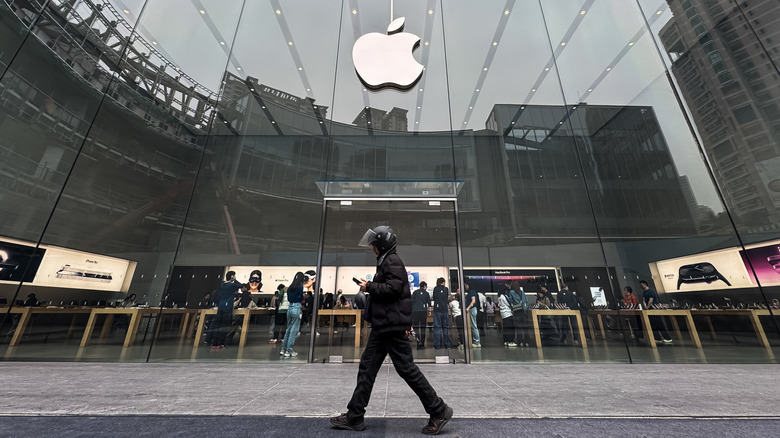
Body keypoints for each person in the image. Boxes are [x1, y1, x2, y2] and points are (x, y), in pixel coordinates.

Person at [331, 225, 452, 435]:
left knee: (406, 369)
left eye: (374, 245)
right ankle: (355, 416)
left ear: (382, 244)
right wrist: (371, 285)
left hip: (391, 327)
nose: (373, 249)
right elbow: (390, 288)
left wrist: (369, 287)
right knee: (368, 368)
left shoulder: (392, 261)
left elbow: (393, 289)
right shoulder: (386, 261)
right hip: (384, 326)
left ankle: (439, 410)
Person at [208, 271, 242, 349]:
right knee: (225, 325)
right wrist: (235, 280)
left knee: (218, 324)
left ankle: (215, 343)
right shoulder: (232, 285)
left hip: (221, 305)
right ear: (232, 276)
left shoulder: (222, 284)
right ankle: (221, 343)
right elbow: (241, 285)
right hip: (228, 306)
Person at [280, 272, 308, 357]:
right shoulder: (300, 286)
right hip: (296, 307)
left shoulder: (290, 287)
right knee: (294, 331)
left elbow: (289, 298)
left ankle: (283, 349)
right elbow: (301, 298)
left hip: (290, 308)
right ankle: (289, 350)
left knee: (288, 329)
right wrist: (303, 297)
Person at [431, 277, 451, 350]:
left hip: (437, 310)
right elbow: (447, 298)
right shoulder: (446, 289)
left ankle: (437, 346)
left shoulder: (435, 289)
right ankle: (447, 345)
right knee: (445, 328)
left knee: (437, 328)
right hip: (445, 310)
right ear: (443, 282)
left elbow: (434, 298)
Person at [508, 280, 529, 347]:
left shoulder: (511, 292)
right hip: (523, 311)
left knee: (518, 327)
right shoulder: (522, 292)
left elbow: (510, 301)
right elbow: (525, 300)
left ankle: (520, 342)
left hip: (517, 311)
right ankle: (527, 342)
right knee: (525, 327)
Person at [411, 281, 431, 349]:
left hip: (415, 311)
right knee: (423, 328)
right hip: (423, 311)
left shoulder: (415, 292)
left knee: (416, 328)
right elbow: (429, 303)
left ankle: (418, 343)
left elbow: (411, 301)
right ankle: (422, 344)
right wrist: (429, 310)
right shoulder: (426, 293)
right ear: (425, 286)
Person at [464, 283, 481, 348]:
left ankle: (477, 341)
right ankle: (476, 340)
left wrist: (468, 307)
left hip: (472, 309)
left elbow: (473, 301)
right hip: (472, 309)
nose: (465, 287)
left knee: (473, 325)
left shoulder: (471, 292)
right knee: (473, 325)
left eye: (466, 285)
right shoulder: (472, 292)